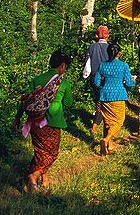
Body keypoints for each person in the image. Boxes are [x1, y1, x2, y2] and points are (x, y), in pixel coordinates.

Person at [15, 50, 73, 192]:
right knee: (52, 153)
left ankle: (44, 180)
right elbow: (68, 103)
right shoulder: (63, 83)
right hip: (52, 121)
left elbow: (25, 100)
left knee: (40, 151)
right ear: (63, 66)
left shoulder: (37, 79)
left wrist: (18, 117)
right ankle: (33, 177)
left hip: (35, 121)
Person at [92, 43, 135, 154]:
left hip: (104, 95)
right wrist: (133, 82)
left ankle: (109, 146)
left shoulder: (102, 65)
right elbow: (129, 83)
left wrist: (104, 84)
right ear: (119, 53)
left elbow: (96, 82)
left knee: (108, 121)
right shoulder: (123, 65)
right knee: (119, 121)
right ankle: (106, 139)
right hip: (118, 95)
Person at [81, 25, 111, 133]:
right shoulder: (110, 48)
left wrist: (84, 76)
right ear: (108, 36)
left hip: (95, 78)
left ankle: (96, 123)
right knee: (106, 102)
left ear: (96, 35)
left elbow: (87, 65)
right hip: (108, 79)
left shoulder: (92, 47)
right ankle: (98, 124)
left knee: (98, 101)